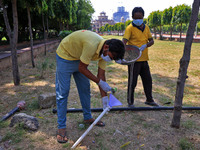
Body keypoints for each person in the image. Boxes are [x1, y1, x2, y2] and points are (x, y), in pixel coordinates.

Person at [55, 30, 125, 143]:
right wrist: (99, 82)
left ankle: (87, 117)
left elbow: (101, 75)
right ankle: (61, 127)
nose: (110, 59)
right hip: (65, 56)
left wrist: (104, 99)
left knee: (85, 89)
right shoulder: (91, 45)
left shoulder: (104, 52)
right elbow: (82, 68)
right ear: (106, 47)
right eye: (111, 57)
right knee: (63, 93)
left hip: (79, 57)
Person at [122, 7, 159, 107]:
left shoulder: (146, 27)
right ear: (132, 17)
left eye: (140, 17)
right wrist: (126, 53)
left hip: (144, 59)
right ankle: (130, 102)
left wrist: (146, 45)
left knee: (148, 80)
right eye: (136, 17)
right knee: (132, 82)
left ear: (143, 17)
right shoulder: (130, 28)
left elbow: (152, 41)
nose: (138, 19)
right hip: (134, 60)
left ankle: (149, 100)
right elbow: (124, 42)